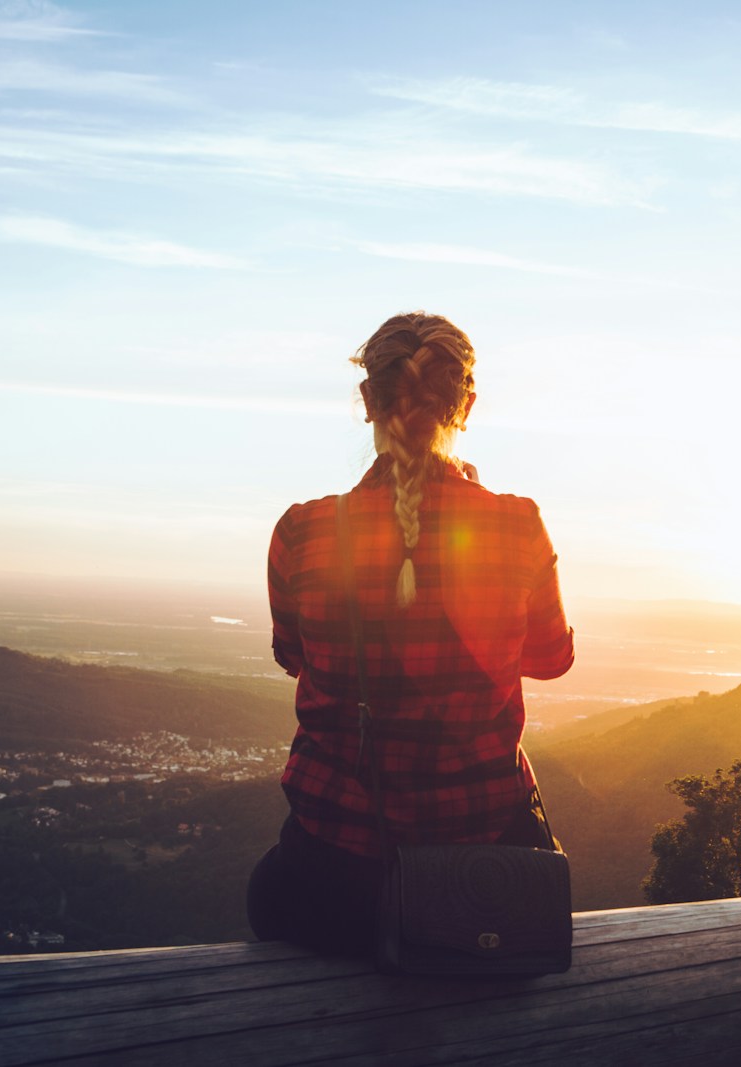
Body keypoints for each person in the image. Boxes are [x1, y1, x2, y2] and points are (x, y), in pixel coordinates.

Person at [247, 311, 575, 954]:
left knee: (267, 899)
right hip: (481, 864)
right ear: (467, 406)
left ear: (368, 400)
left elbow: (295, 656)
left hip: (332, 867)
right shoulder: (517, 526)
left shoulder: (303, 531)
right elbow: (551, 659)